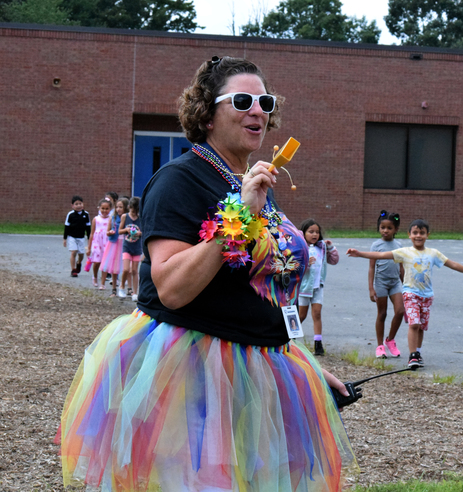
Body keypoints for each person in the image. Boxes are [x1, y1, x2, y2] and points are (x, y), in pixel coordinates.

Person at [58, 56, 356, 491]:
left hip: (263, 367)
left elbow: (259, 293)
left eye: (265, 102)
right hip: (195, 368)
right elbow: (172, 288)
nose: (258, 111)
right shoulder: (180, 180)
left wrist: (305, 365)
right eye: (242, 100)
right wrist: (239, 214)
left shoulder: (252, 182)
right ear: (207, 113)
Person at [347, 219, 463, 368]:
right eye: (415, 233)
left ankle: (418, 353)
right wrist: (359, 253)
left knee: (421, 327)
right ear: (409, 235)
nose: (418, 236)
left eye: (422, 233)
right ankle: (412, 355)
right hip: (410, 294)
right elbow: (381, 255)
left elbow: (452, 264)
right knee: (414, 324)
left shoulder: (433, 253)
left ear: (428, 235)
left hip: (426, 296)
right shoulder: (405, 252)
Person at [298, 218, 339, 356]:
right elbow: (294, 266)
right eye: (311, 232)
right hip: (304, 288)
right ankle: (288, 338)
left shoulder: (321, 247)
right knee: (301, 315)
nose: (314, 234)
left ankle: (318, 344)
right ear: (303, 233)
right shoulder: (300, 247)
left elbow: (334, 260)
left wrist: (330, 247)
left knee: (317, 314)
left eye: (317, 232)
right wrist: (305, 263)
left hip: (318, 287)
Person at [369, 210, 405, 359]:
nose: (385, 230)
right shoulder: (376, 245)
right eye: (382, 227)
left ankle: (390, 340)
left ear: (396, 229)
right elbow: (371, 267)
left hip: (395, 283)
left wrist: (407, 286)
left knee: (400, 311)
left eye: (389, 228)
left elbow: (401, 268)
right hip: (381, 283)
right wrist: (371, 288)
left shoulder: (399, 245)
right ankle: (379, 346)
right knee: (382, 314)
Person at [100, 198, 126, 296]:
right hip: (114, 243)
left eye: (121, 207)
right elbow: (107, 231)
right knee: (114, 267)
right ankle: (114, 289)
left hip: (124, 243)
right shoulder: (113, 218)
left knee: (125, 267)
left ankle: (125, 287)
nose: (118, 209)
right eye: (117, 207)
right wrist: (110, 232)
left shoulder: (127, 218)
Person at [118, 196, 143, 301]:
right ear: (129, 207)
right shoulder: (125, 216)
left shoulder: (141, 218)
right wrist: (126, 230)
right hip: (127, 247)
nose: (134, 213)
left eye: (136, 211)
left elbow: (144, 231)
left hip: (137, 247)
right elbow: (119, 231)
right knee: (126, 269)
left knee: (134, 270)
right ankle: (122, 287)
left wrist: (139, 233)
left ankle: (135, 293)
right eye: (132, 211)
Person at [86, 198, 112, 287]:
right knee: (96, 262)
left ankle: (103, 283)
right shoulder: (96, 219)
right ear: (99, 208)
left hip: (107, 242)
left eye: (107, 208)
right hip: (97, 243)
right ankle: (95, 276)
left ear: (110, 209)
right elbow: (92, 233)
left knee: (105, 263)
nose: (105, 211)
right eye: (103, 208)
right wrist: (89, 247)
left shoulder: (111, 219)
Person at [63, 195, 91, 277]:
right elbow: (67, 227)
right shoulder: (70, 215)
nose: (78, 205)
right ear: (72, 206)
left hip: (81, 237)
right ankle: (73, 269)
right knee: (74, 251)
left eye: (80, 203)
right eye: (76, 204)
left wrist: (89, 239)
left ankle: (79, 263)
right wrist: (65, 238)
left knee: (81, 254)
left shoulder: (86, 214)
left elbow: (88, 227)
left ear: (83, 204)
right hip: (72, 237)